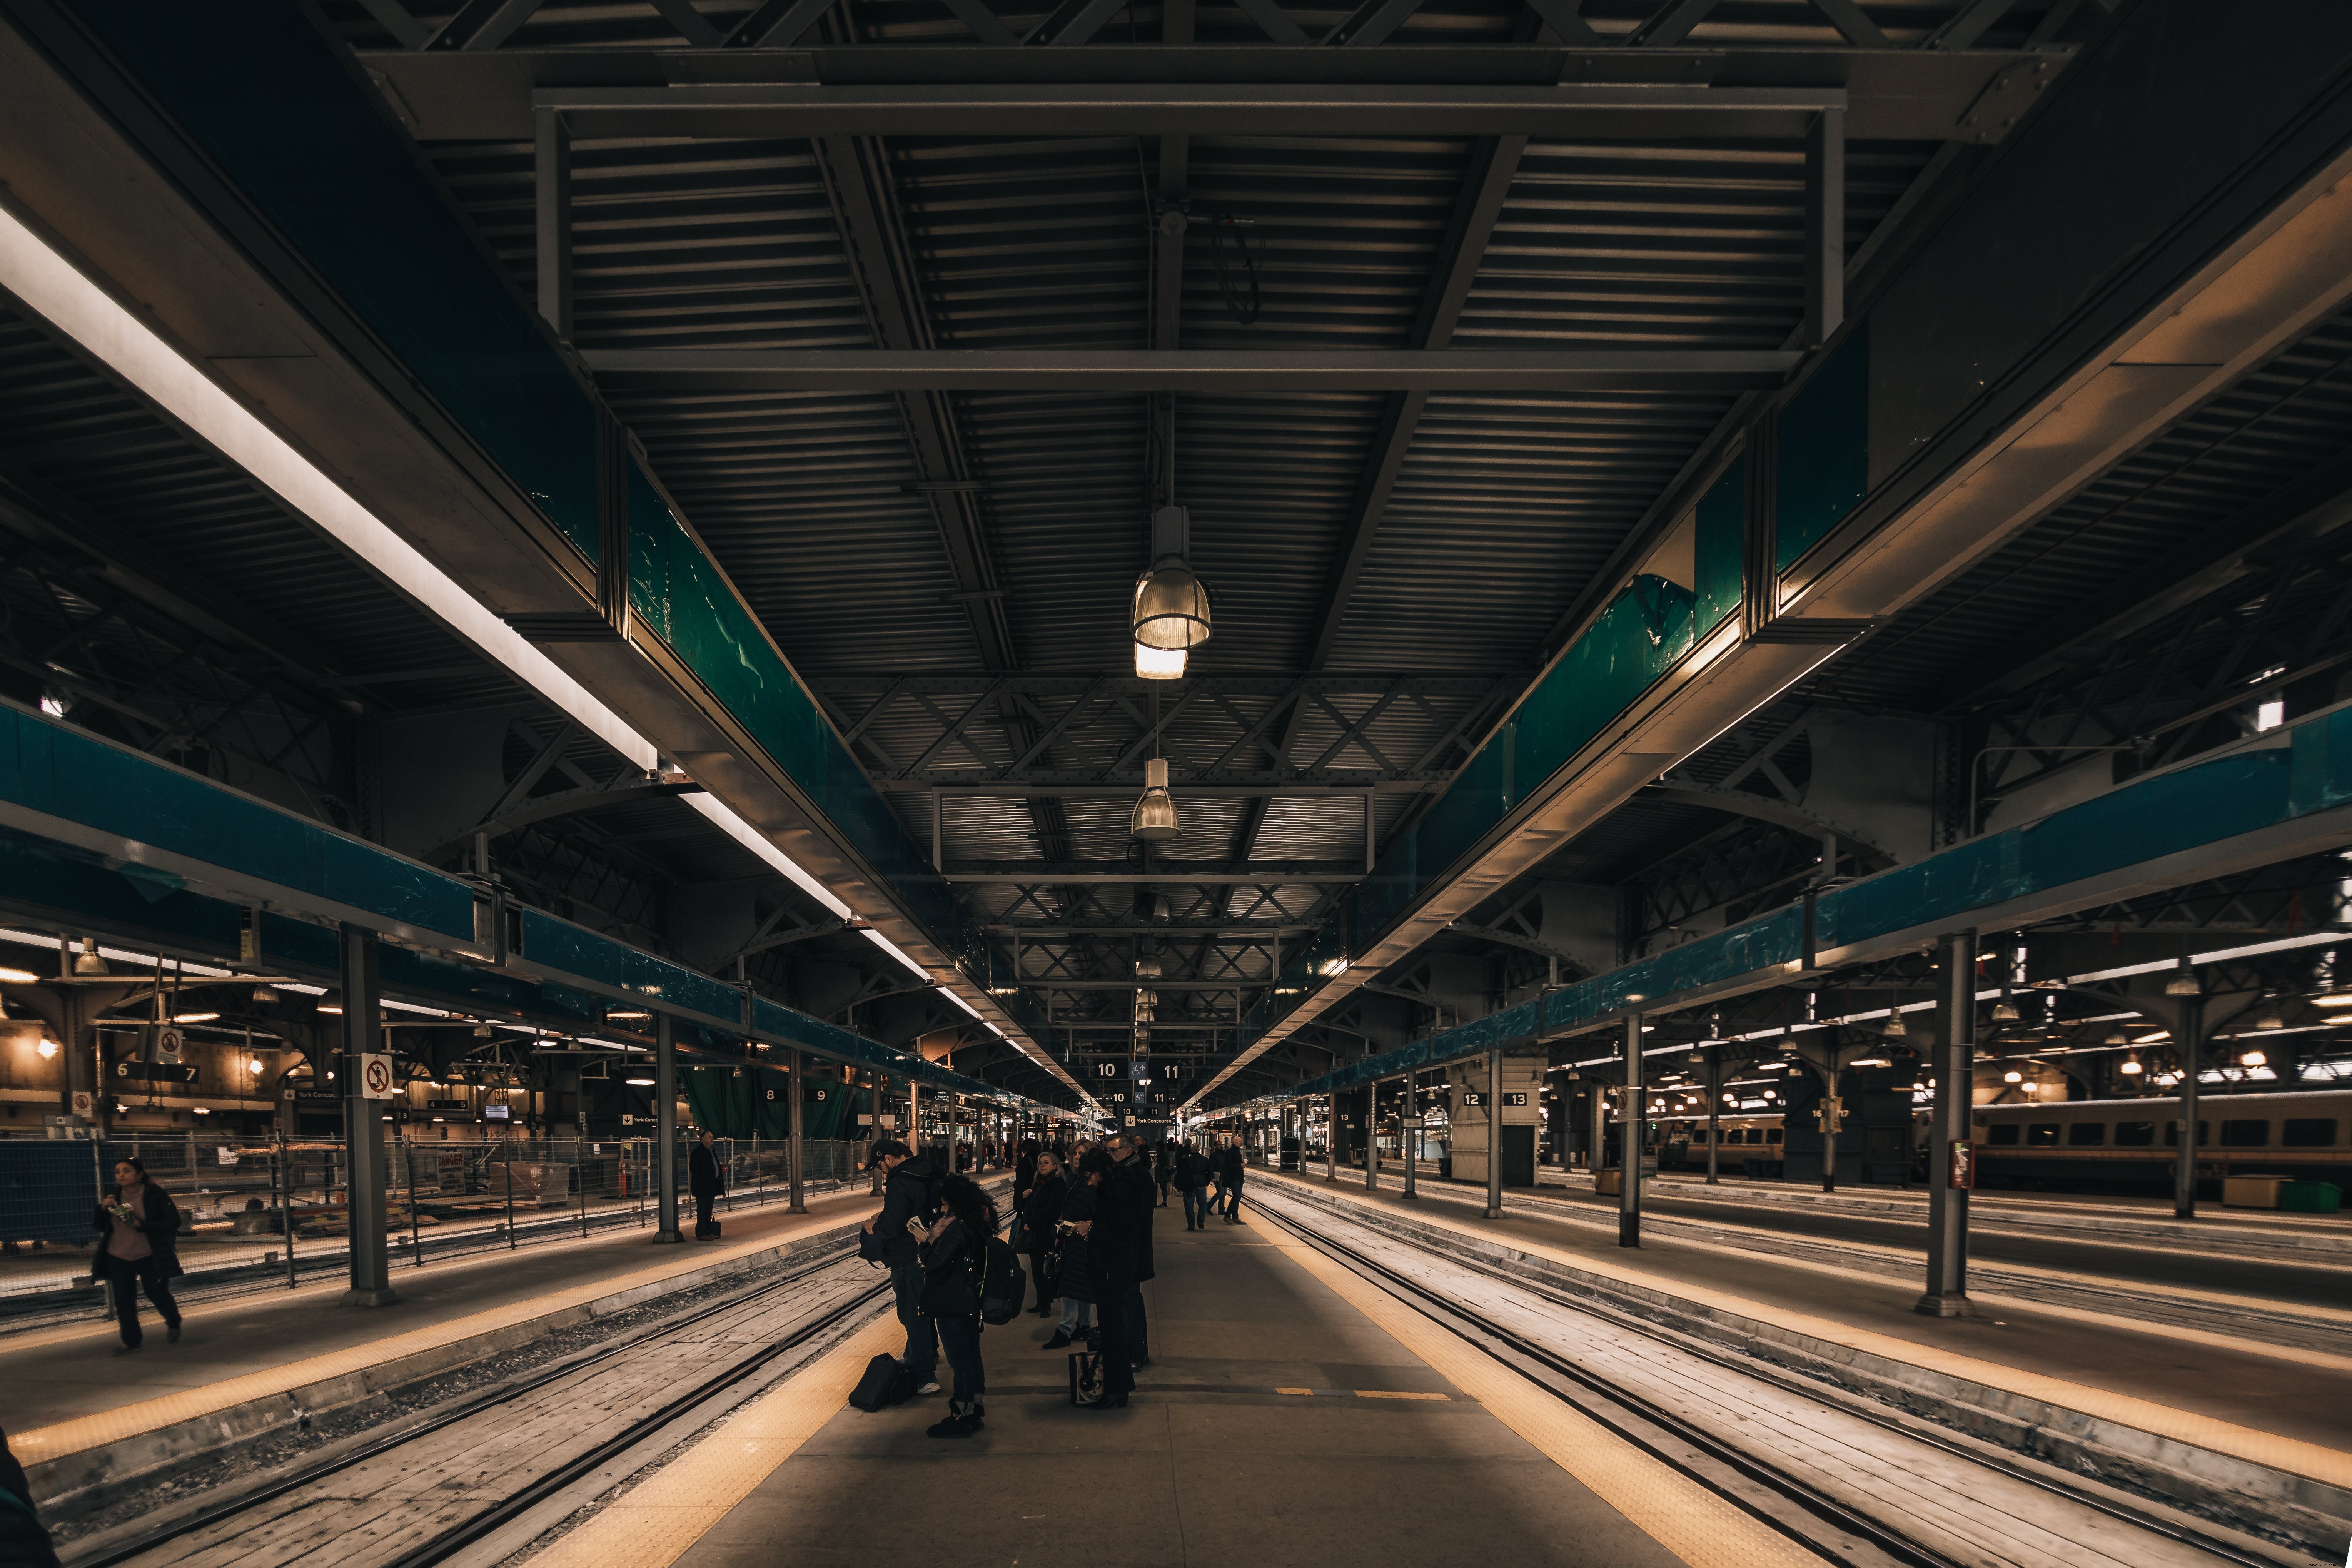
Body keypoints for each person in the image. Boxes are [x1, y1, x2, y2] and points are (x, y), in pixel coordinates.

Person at [917, 1173, 997, 1438]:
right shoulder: (978, 1223)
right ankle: (974, 1411)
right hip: (970, 1300)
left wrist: (929, 1239)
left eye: (944, 1204)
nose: (941, 1209)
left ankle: (961, 1415)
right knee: (972, 1358)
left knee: (960, 1361)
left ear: (954, 1202)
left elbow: (933, 1262)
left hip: (953, 1303)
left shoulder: (957, 1228)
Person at [861, 1138, 942, 1396]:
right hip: (929, 1251)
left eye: (880, 1165)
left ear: (888, 1158)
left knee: (911, 1314)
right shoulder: (928, 1168)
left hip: (907, 1255)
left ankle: (924, 1377)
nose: (882, 1171)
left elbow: (894, 1226)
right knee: (923, 1308)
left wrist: (873, 1226)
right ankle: (925, 1353)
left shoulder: (898, 1180)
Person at [90, 1156, 182, 1354]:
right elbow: (99, 1226)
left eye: (127, 1171)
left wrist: (142, 1226)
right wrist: (102, 1209)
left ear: (139, 1175)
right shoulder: (113, 1196)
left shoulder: (155, 1194)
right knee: (124, 1299)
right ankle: (131, 1341)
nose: (121, 1175)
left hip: (149, 1253)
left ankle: (173, 1321)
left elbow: (173, 1222)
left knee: (155, 1292)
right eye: (118, 1172)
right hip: (118, 1254)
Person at [1072, 1147, 1133, 1406]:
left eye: (1090, 1174)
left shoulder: (1117, 1194)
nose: (1089, 1180)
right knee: (1112, 1330)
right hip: (1107, 1268)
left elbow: (1124, 1231)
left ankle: (1116, 1390)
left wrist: (1092, 1227)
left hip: (1111, 1269)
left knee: (1112, 1331)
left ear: (1101, 1171)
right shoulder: (1111, 1190)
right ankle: (1119, 1387)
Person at [1106, 1133, 1155, 1370]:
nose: (1109, 1155)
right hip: (1135, 1250)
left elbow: (1128, 1219)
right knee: (1133, 1302)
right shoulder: (1136, 1173)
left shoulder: (1130, 1176)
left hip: (1129, 1252)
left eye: (1113, 1151)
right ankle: (1139, 1352)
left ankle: (1134, 1354)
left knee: (1128, 1305)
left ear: (1128, 1151)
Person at [1043, 1154, 1097, 1350]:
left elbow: (1073, 1214)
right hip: (1082, 1243)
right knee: (1081, 1287)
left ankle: (1064, 1331)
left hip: (1079, 1242)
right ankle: (1084, 1325)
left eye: (1082, 1154)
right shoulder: (1080, 1181)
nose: (1076, 1157)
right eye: (1074, 1153)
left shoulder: (1087, 1185)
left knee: (1071, 1288)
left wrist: (1057, 1231)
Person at [1020, 1150, 1066, 1316]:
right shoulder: (1037, 1183)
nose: (1043, 1166)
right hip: (1036, 1233)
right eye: (1041, 1163)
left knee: (1047, 1269)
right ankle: (1041, 1302)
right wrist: (1026, 1196)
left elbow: (1052, 1210)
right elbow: (1031, 1206)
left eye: (1047, 1163)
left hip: (1047, 1232)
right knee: (1037, 1269)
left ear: (1055, 1166)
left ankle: (1047, 1304)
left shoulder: (1058, 1184)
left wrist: (1031, 1223)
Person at [688, 1130, 724, 1239]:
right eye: (709, 1137)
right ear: (702, 1138)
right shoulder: (698, 1152)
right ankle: (701, 1233)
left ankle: (708, 1231)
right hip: (702, 1187)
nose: (712, 1139)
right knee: (703, 1210)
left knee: (708, 1210)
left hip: (711, 1186)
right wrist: (703, 1181)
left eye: (712, 1137)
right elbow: (694, 1169)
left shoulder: (712, 1151)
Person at [1176, 1140, 1214, 1231]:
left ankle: (1191, 1225)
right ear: (1200, 1149)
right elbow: (1210, 1173)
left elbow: (1181, 1173)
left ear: (1191, 1150)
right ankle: (1201, 1220)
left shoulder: (1185, 1159)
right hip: (1201, 1184)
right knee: (1203, 1203)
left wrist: (1179, 1185)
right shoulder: (1205, 1160)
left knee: (1189, 1205)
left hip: (1189, 1185)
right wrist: (1207, 1182)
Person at [1219, 1137, 1247, 1224]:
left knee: (1237, 1197)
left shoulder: (1237, 1151)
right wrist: (1240, 1165)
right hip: (1233, 1178)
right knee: (1237, 1197)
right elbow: (1228, 1165)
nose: (1241, 1143)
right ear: (1235, 1143)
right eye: (1240, 1141)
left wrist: (1242, 1163)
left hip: (1239, 1178)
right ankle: (1228, 1216)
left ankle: (1235, 1217)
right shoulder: (1230, 1152)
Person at [1152, 1140, 1173, 1207]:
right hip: (1161, 1172)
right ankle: (1164, 1202)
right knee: (1162, 1187)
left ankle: (1165, 1202)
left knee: (1164, 1188)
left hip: (1164, 1172)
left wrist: (1158, 1161)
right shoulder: (1161, 1152)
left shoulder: (1165, 1152)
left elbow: (1167, 1162)